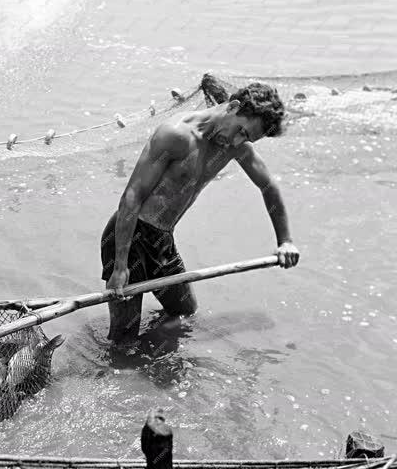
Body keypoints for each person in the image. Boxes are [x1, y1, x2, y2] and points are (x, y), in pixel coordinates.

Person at [100, 82, 300, 342]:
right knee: (124, 338)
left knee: (183, 313)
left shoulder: (234, 146)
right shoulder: (176, 135)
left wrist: (285, 241)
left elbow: (268, 185)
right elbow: (131, 198)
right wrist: (120, 266)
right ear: (233, 106)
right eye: (240, 130)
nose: (238, 140)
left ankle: (152, 353)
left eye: (247, 138)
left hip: (162, 240)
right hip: (130, 236)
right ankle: (117, 371)